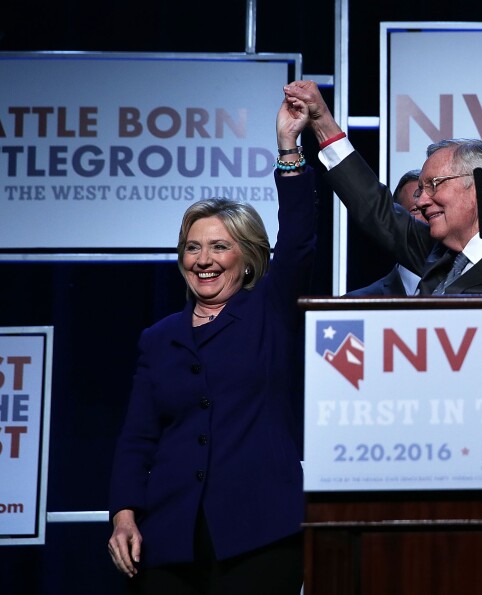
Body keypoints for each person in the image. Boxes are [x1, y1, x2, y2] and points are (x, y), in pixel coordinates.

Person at [107, 88, 317, 594]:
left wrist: (289, 148)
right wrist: (123, 515)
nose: (203, 259)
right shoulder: (159, 339)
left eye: (219, 246)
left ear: (247, 258)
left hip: (261, 534)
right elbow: (137, 439)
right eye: (192, 247)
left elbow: (301, 240)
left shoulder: (269, 311)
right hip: (170, 539)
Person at [285, 81, 482, 296]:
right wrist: (322, 122)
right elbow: (372, 206)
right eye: (421, 189)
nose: (422, 201)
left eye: (434, 185)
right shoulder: (431, 251)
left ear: (480, 186)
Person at [345, 169, 424, 296]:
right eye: (417, 209)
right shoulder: (354, 305)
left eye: (435, 209)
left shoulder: (464, 287)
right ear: (396, 219)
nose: (429, 215)